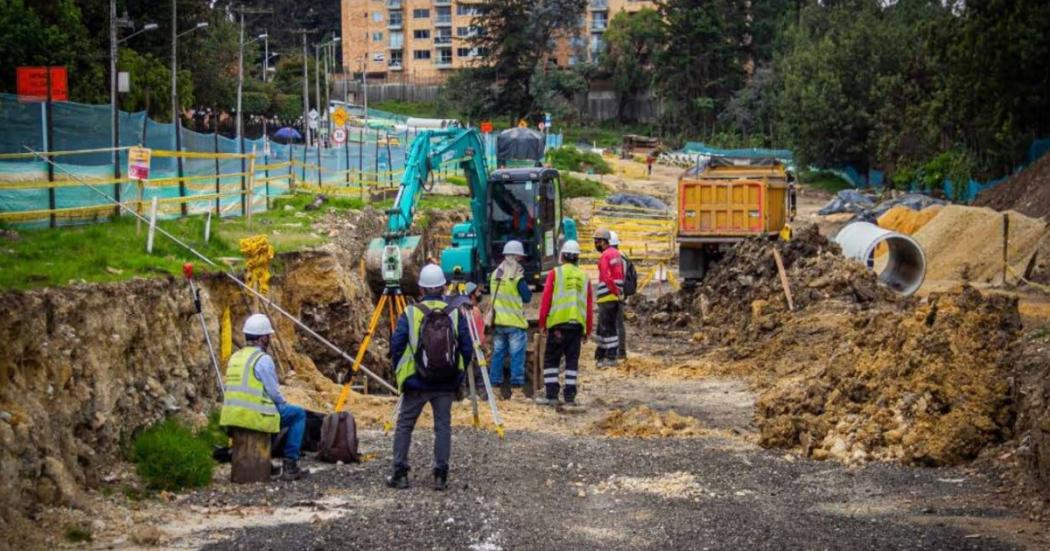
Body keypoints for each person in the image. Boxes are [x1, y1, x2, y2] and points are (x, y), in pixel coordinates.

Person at [387, 264, 473, 491]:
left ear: (421, 289)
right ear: (443, 287)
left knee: (405, 425)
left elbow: (396, 344)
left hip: (416, 382)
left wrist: (402, 374)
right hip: (445, 381)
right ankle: (440, 475)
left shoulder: (411, 312)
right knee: (442, 426)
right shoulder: (454, 313)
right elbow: (466, 346)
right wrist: (458, 376)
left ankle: (400, 473)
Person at [219, 313, 308, 481]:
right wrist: (283, 403)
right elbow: (274, 393)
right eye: (268, 336)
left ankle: (265, 460)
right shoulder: (263, 359)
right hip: (253, 416)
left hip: (231, 416)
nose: (269, 340)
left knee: (272, 413)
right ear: (262, 338)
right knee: (298, 414)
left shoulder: (235, 357)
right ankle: (290, 464)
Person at [536, 240, 593, 405]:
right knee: (572, 362)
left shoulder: (556, 273)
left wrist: (542, 323)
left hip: (558, 325)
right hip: (576, 326)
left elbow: (546, 299)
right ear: (577, 258)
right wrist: (587, 330)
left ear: (562, 256)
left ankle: (552, 395)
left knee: (551, 360)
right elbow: (588, 306)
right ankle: (569, 397)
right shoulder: (584, 277)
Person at [488, 240, 532, 397]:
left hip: (499, 322)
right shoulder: (516, 276)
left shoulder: (495, 274)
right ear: (515, 257)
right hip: (514, 323)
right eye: (520, 258)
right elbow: (527, 297)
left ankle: (494, 389)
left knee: (498, 355)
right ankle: (517, 390)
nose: (521, 261)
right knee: (517, 356)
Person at [593, 228, 624, 367]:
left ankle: (610, 357)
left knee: (607, 328)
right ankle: (601, 353)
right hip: (615, 298)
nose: (596, 244)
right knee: (608, 327)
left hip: (607, 297)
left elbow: (606, 277)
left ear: (603, 241)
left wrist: (613, 290)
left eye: (597, 241)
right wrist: (618, 292)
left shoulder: (605, 255)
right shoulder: (617, 254)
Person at [609, 231, 629, 361]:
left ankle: (618, 352)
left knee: (615, 323)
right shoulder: (623, 256)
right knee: (619, 323)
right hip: (621, 293)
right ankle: (620, 351)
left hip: (615, 293)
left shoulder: (616, 257)